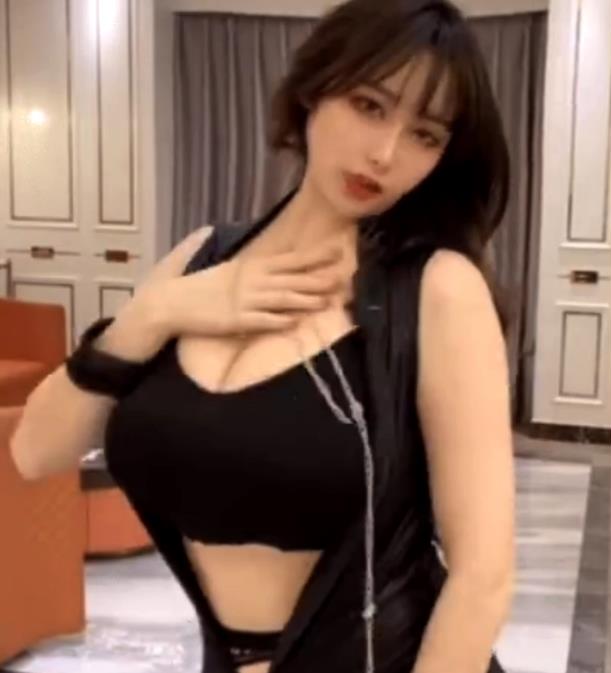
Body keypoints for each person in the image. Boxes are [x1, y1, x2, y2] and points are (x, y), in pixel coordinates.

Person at [10, 0, 517, 671]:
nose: (385, 153)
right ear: (314, 89)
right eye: (369, 105)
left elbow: (482, 577)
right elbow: (35, 451)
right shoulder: (199, 259)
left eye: (424, 135)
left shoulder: (436, 289)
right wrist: (152, 314)